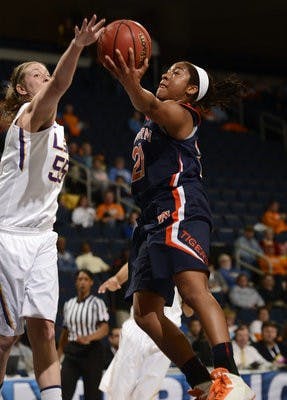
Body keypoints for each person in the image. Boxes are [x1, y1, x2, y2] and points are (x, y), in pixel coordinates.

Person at [103, 49, 255, 398]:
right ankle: (200, 381)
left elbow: (150, 105)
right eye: (168, 70)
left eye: (177, 72)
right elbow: (147, 108)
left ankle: (229, 375)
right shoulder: (155, 119)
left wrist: (130, 81)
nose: (167, 74)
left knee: (192, 288)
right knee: (144, 313)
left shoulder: (182, 114)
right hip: (149, 217)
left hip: (180, 204)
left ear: (190, 91)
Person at [0, 15, 105, 400]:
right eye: (37, 75)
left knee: (44, 330)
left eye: (46, 72)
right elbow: (62, 83)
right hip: (8, 237)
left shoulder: (57, 128)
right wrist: (77, 46)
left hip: (43, 238)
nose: (45, 77)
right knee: (5, 339)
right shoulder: (30, 117)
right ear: (23, 90)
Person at [98, 262, 184, 400]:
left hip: (168, 328)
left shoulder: (185, 257)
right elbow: (135, 259)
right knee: (122, 385)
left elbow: (190, 309)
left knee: (149, 387)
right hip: (140, 324)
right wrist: (117, 279)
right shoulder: (152, 245)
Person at [57, 269, 109, 400]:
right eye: (80, 279)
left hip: (91, 352)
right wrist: (58, 356)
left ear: (91, 282)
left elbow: (105, 328)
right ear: (75, 282)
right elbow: (65, 332)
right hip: (72, 351)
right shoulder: (68, 304)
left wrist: (89, 338)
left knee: (92, 395)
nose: (82, 282)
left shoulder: (97, 303)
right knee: (64, 391)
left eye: (86, 279)